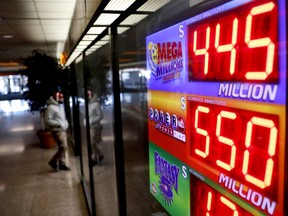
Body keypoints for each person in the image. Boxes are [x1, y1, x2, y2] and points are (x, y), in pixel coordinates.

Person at [45, 92, 70, 171]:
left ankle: (61, 163)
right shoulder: (50, 108)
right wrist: (59, 124)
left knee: (63, 147)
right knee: (63, 147)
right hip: (57, 130)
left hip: (62, 130)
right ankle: (54, 160)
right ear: (57, 98)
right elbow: (48, 120)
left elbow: (62, 118)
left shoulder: (60, 106)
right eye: (61, 98)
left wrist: (65, 124)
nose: (62, 99)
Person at [87, 90, 104, 166]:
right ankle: (97, 157)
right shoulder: (89, 104)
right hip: (91, 126)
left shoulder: (96, 104)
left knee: (92, 142)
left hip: (95, 126)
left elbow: (100, 115)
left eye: (89, 94)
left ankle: (99, 156)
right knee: (91, 143)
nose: (88, 96)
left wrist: (92, 121)